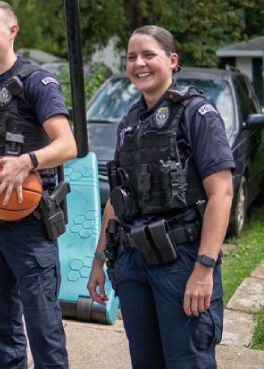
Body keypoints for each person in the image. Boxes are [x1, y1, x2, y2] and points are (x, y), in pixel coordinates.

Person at [86, 25, 233, 368]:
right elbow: (117, 200)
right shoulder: (129, 123)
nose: (139, 63)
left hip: (181, 262)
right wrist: (99, 260)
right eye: (132, 57)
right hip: (134, 263)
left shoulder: (196, 113)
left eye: (148, 55)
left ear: (172, 60)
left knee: (188, 361)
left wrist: (204, 268)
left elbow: (222, 193)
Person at [0, 0, 76, 368]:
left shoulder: (36, 82)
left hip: (30, 228)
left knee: (43, 327)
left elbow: (67, 145)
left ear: (12, 31)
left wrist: (28, 161)